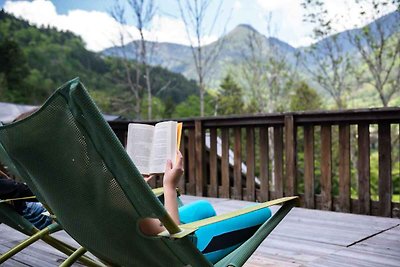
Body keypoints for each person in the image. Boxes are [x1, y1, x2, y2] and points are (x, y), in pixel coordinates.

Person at [140, 151, 272, 264]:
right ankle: (206, 252)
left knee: (204, 208)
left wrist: (136, 186)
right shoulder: (125, 215)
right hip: (179, 255)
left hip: (147, 234)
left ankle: (212, 240)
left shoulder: (119, 199)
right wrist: (169, 187)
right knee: (264, 212)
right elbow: (171, 233)